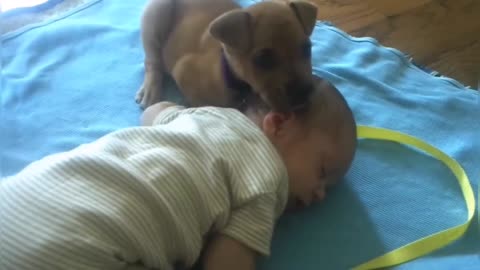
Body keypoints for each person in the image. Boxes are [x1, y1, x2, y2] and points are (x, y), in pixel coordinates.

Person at [0, 77, 356, 270]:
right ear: (278, 124)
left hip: (21, 198)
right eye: (323, 171)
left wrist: (170, 107)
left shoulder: (203, 117)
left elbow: (154, 111)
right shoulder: (267, 181)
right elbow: (226, 262)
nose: (321, 193)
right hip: (90, 249)